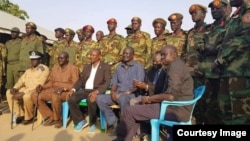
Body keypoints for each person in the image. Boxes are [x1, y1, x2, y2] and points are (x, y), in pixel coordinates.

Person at [113, 45, 194, 141]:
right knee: (135, 109)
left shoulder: (175, 68)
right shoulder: (174, 65)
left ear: (174, 55)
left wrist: (148, 99)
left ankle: (121, 139)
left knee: (129, 111)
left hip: (175, 110)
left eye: (164, 55)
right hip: (173, 106)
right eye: (162, 55)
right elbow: (161, 89)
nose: (162, 57)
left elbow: (171, 96)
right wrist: (146, 87)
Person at [211, 0, 250, 124]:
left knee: (241, 116)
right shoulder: (236, 15)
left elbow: (244, 39)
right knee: (225, 111)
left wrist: (221, 59)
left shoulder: (248, 11)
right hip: (228, 72)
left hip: (242, 73)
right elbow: (228, 41)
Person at [96, 47, 145, 136]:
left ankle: (125, 127)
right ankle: (114, 123)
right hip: (118, 93)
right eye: (124, 53)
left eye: (127, 53)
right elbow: (114, 82)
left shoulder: (138, 66)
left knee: (123, 98)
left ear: (132, 55)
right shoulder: (119, 66)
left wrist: (122, 94)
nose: (125, 55)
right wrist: (112, 92)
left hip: (132, 94)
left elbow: (138, 85)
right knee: (100, 98)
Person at [67, 48, 111, 132]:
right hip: (85, 90)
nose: (91, 57)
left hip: (96, 90)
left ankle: (92, 123)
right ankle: (80, 120)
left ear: (99, 56)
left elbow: (107, 82)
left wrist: (97, 92)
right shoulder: (87, 67)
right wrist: (73, 89)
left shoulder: (105, 67)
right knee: (71, 99)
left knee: (91, 100)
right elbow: (81, 80)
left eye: (93, 55)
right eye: (90, 55)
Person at [31, 52, 79, 128]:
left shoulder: (73, 68)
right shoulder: (55, 67)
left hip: (65, 91)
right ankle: (50, 117)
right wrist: (42, 87)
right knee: (35, 95)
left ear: (67, 59)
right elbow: (51, 82)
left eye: (62, 58)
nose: (60, 59)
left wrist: (64, 88)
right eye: (59, 58)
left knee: (55, 96)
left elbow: (76, 83)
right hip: (53, 89)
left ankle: (58, 119)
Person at [202, 0, 229, 124]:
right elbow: (199, 44)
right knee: (208, 107)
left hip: (223, 72)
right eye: (212, 9)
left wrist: (215, 49)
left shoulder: (230, 25)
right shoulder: (208, 28)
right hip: (208, 73)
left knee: (224, 107)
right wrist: (205, 48)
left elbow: (231, 44)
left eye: (217, 8)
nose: (214, 11)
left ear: (226, 8)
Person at [6, 51, 49, 125]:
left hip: (36, 90)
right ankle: (20, 114)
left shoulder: (44, 69)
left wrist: (23, 93)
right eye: (32, 60)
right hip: (26, 88)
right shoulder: (28, 70)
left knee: (26, 96)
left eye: (35, 60)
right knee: (9, 92)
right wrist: (15, 88)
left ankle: (29, 117)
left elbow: (39, 84)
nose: (33, 61)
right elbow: (21, 80)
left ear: (40, 60)